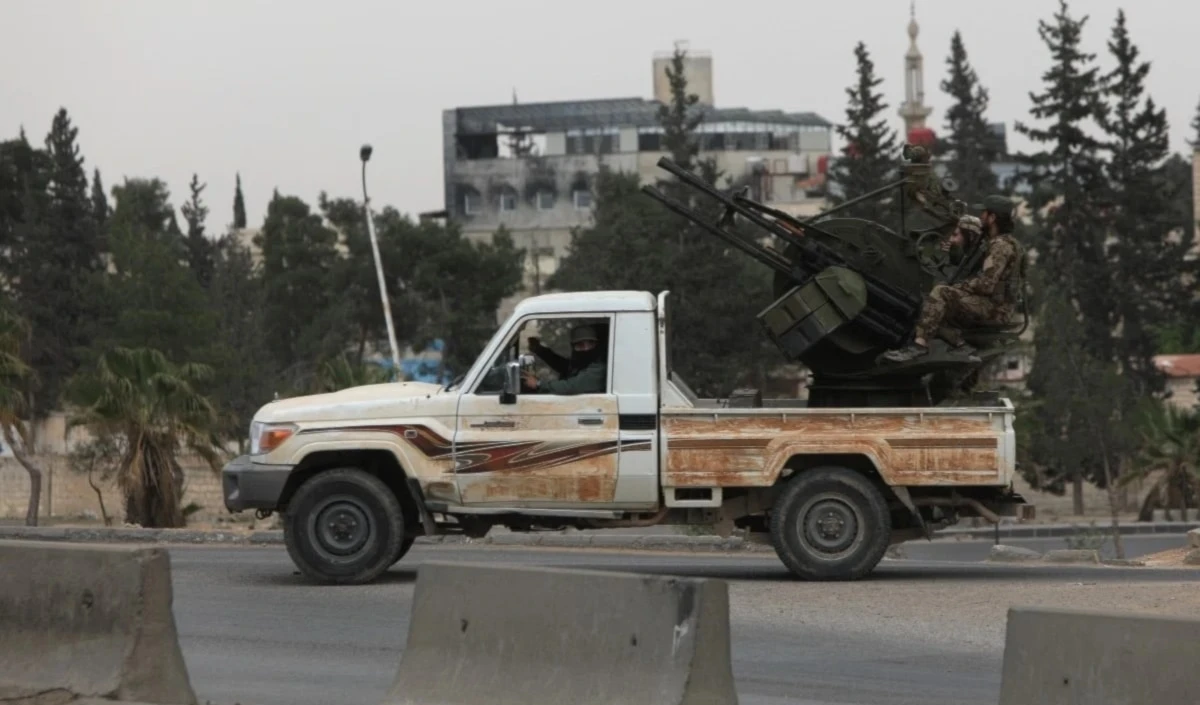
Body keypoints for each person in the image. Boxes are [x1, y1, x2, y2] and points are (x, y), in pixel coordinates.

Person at [881, 196, 1022, 363]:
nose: (981, 216)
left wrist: (960, 287)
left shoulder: (1000, 246)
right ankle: (961, 345)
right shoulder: (999, 243)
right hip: (992, 305)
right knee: (930, 306)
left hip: (995, 309)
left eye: (984, 213)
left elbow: (985, 285)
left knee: (940, 293)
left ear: (992, 218)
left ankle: (918, 348)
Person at [521, 324, 607, 394]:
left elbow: (572, 386)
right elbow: (564, 365)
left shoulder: (599, 368)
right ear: (573, 347)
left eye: (590, 344)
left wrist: (539, 384)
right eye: (580, 345)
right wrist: (539, 350)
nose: (586, 349)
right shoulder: (582, 363)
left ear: (596, 345)